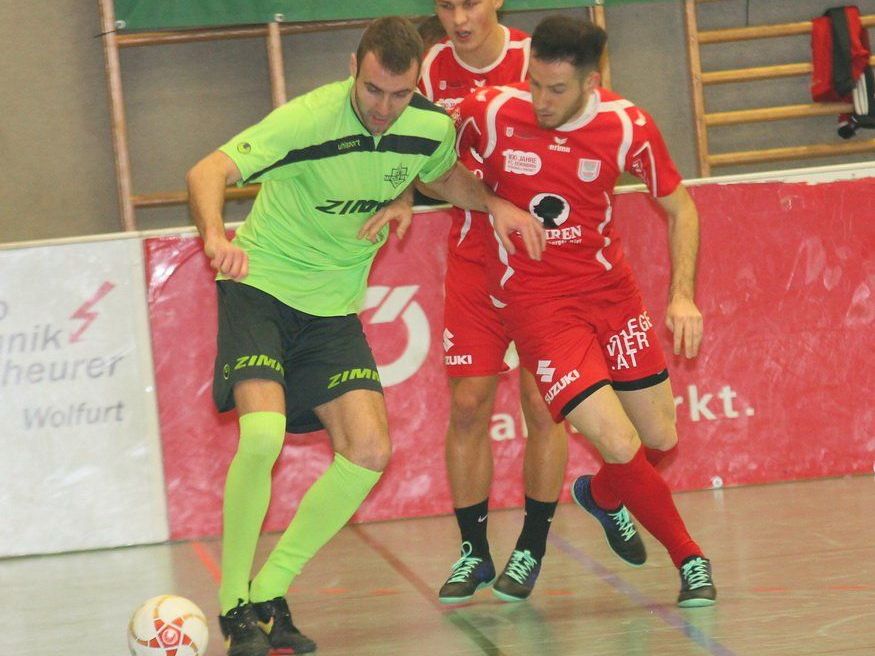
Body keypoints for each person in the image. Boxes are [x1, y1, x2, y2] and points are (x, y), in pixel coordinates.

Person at [186, 16, 545, 656]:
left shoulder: (428, 126)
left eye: (399, 95)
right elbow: (207, 170)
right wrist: (215, 236)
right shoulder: (307, 120)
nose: (384, 109)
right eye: (373, 91)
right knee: (262, 434)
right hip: (261, 285)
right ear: (356, 66)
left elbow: (439, 173)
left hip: (332, 310)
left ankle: (271, 590)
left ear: (416, 86)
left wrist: (491, 203)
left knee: (371, 451)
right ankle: (233, 605)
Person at [450, 15, 717, 607]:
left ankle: (600, 494)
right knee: (620, 441)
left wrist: (681, 294)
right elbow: (433, 165)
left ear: (591, 82)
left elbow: (682, 209)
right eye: (534, 84)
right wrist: (491, 201)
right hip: (539, 304)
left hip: (612, 295)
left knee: (660, 438)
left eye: (557, 90)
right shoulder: (489, 109)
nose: (540, 101)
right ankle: (690, 558)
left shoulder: (628, 127)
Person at [418, 0, 569, 605]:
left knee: (541, 402)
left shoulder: (536, 60)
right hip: (473, 254)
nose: (459, 16)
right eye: (447, 4)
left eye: (471, 2)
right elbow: (427, 168)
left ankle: (530, 545)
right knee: (468, 404)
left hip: (539, 256)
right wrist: (409, 191)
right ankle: (473, 553)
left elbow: (574, 150)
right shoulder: (429, 71)